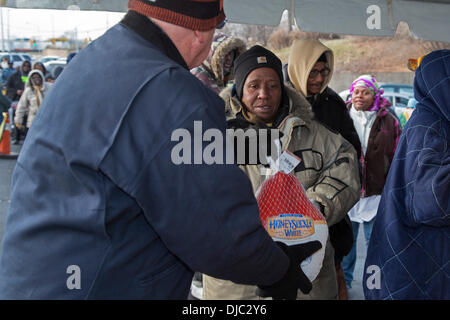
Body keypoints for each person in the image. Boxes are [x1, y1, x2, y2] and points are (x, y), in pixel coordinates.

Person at [0, 0, 319, 299]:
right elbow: (217, 230)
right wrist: (278, 269)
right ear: (200, 30)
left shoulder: (95, 58)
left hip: (34, 278)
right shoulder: (172, 94)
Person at [202, 45, 360, 300]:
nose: (264, 94)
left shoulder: (313, 133)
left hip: (305, 282)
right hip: (237, 287)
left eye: (273, 85)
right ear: (240, 87)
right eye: (254, 86)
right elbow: (189, 193)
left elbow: (346, 168)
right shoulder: (213, 135)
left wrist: (314, 208)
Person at [363, 50, 449, 300]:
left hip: (420, 264)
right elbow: (432, 204)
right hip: (420, 267)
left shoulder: (432, 120)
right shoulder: (431, 127)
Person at [286, 39, 361, 299]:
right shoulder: (277, 101)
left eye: (324, 72)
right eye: (312, 72)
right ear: (299, 67)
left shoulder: (332, 104)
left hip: (330, 219)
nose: (319, 79)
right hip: (283, 222)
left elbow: (352, 154)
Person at [189, 31, 246, 300]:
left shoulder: (220, 84)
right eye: (226, 59)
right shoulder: (201, 82)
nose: (230, 67)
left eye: (234, 60)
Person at [342, 74, 402, 289]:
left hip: (376, 194)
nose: (360, 96)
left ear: (375, 94)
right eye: (356, 91)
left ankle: (374, 286)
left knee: (375, 245)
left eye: (365, 92)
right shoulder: (343, 116)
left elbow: (397, 155)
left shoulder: (389, 121)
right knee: (346, 246)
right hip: (347, 192)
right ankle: (345, 287)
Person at [14, 69, 51, 134]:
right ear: (31, 79)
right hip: (33, 121)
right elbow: (21, 106)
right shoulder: (28, 91)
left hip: (47, 121)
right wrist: (18, 121)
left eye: (38, 77)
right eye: (34, 77)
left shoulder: (49, 88)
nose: (36, 79)